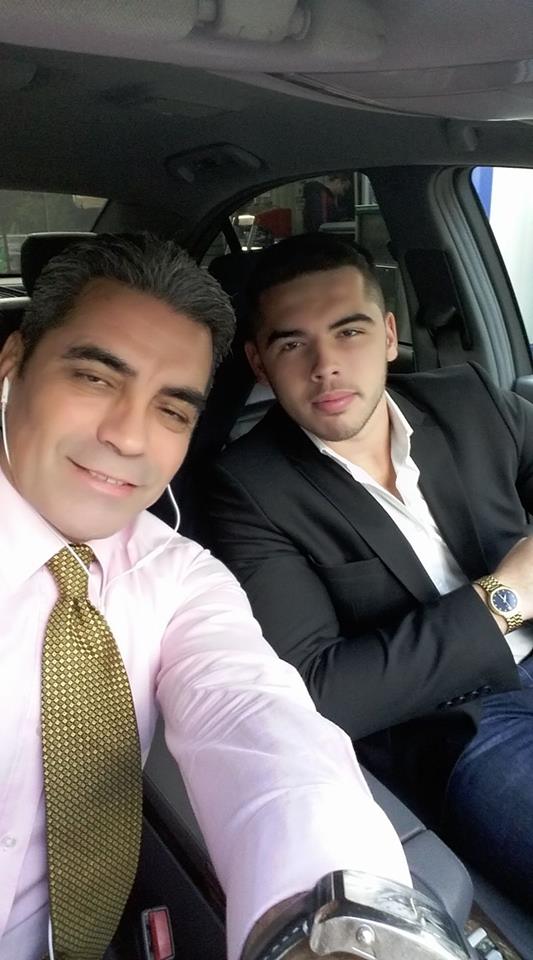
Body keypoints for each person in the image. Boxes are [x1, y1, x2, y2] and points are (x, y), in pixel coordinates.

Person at [0, 233, 413, 960]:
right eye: (94, 377)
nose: (129, 437)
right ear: (12, 363)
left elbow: (255, 718)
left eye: (172, 411)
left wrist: (337, 925)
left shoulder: (179, 575)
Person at [207, 232, 533, 907]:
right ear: (259, 362)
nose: (325, 366)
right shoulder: (248, 488)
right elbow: (322, 692)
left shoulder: (467, 398)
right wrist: (507, 597)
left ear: (387, 335)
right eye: (292, 344)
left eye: (348, 331)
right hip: (460, 725)